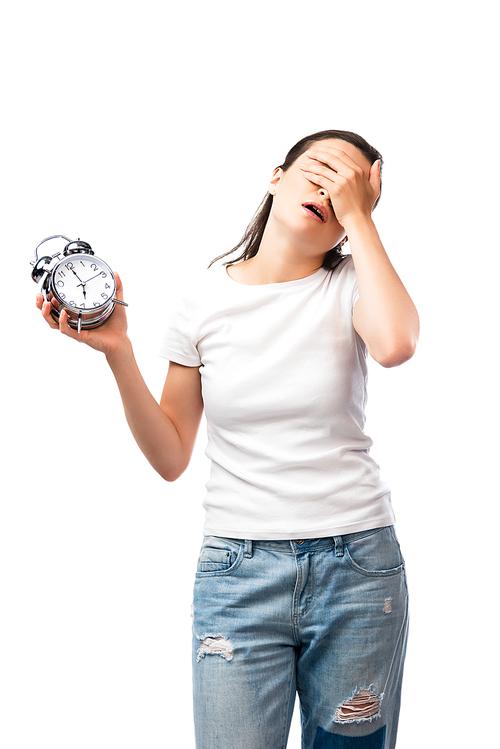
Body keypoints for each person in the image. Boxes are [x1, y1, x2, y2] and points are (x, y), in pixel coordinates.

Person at [37, 129, 419, 749]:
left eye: (348, 189)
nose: (328, 189)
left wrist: (360, 220)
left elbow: (397, 344)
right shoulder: (201, 298)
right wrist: (119, 352)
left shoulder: (353, 284)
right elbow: (169, 456)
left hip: (358, 569)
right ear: (276, 177)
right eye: (318, 170)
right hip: (238, 575)